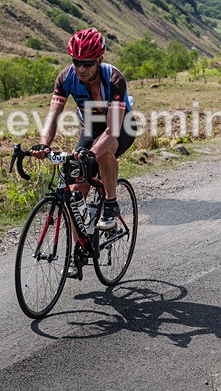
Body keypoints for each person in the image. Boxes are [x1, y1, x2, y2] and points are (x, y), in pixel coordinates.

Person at [30, 27, 135, 278]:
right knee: (74, 192)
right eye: (77, 62)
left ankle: (110, 204)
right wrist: (44, 143)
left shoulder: (114, 79)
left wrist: (91, 153)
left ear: (99, 60)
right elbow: (52, 115)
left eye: (87, 63)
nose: (81, 69)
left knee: (101, 154)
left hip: (120, 125)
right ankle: (80, 249)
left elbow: (112, 131)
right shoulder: (66, 77)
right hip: (90, 126)